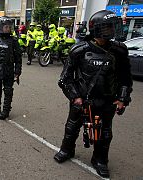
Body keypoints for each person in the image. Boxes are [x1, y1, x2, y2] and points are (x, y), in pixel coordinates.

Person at [53, 10, 133, 178]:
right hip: (82, 101)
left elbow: (126, 78)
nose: (111, 30)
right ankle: (67, 150)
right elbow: (65, 79)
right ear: (95, 28)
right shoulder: (78, 50)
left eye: (112, 27)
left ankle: (100, 160)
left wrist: (122, 99)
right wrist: (75, 97)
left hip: (107, 102)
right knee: (72, 127)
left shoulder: (120, 51)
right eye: (107, 27)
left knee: (104, 133)